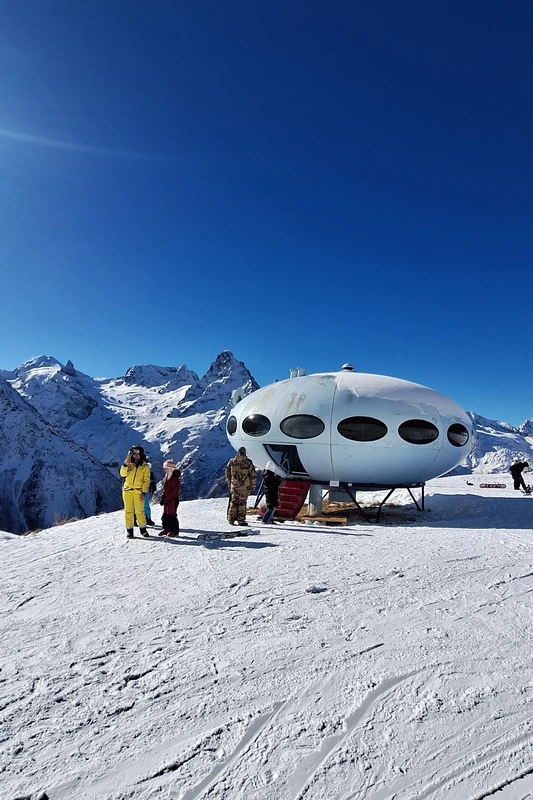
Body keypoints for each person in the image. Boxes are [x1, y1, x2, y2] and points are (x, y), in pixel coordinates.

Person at [120, 446, 151, 538]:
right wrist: (125, 464)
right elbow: (122, 474)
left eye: (137, 453)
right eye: (133, 454)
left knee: (139, 511)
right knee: (128, 511)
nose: (135, 455)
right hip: (127, 490)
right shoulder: (129, 464)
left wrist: (144, 492)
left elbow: (146, 480)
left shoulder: (145, 466)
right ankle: (129, 530)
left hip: (138, 491)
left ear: (141, 454)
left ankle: (143, 529)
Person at [225, 447, 256, 526]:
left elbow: (228, 474)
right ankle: (241, 520)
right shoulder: (248, 462)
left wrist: (230, 483)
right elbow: (252, 475)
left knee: (234, 502)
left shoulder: (232, 462)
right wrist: (253, 486)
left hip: (234, 486)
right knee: (242, 503)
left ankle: (231, 519)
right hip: (244, 487)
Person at [159, 460, 181, 536]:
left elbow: (174, 492)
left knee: (172, 516)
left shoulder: (174, 479)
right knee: (165, 515)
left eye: (165, 468)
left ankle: (174, 531)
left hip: (172, 500)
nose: (164, 469)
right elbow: (166, 489)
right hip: (167, 500)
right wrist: (163, 497)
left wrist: (166, 499)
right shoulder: (168, 477)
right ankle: (166, 528)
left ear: (170, 468)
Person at [261, 460, 283, 524]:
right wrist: (279, 480)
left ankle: (270, 519)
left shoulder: (267, 475)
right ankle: (265, 520)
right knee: (271, 507)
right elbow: (274, 484)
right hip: (271, 493)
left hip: (270, 493)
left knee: (272, 507)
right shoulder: (270, 476)